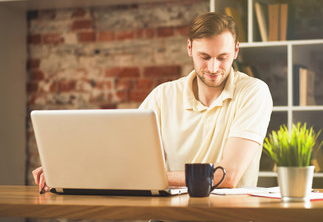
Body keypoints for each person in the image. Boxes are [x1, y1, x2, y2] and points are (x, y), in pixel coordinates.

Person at [33, 12, 272, 192]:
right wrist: (65, 167)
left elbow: (226, 176)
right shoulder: (163, 95)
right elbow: (119, 149)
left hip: (229, 216)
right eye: (204, 57)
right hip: (170, 214)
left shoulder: (253, 92)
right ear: (189, 48)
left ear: (236, 51)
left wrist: (152, 176)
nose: (212, 68)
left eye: (222, 57)